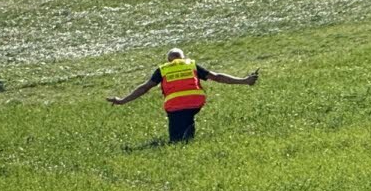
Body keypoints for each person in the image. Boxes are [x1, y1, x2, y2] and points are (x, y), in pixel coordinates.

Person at [107, 48, 259, 142]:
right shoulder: (191, 65)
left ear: (168, 60)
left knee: (175, 141)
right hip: (195, 102)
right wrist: (245, 80)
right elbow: (218, 77)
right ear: (184, 57)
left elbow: (145, 88)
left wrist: (122, 101)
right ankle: (189, 128)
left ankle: (187, 131)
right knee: (186, 122)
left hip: (175, 106)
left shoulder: (163, 69)